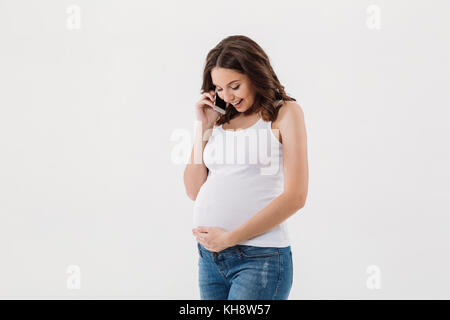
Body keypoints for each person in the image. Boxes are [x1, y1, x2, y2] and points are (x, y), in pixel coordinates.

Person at [183, 35, 308, 300]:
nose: (226, 96)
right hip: (210, 259)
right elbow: (194, 190)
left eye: (235, 86)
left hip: (259, 258)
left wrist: (230, 238)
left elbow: (296, 197)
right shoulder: (219, 120)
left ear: (255, 74)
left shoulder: (285, 114)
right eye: (218, 88)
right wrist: (203, 126)